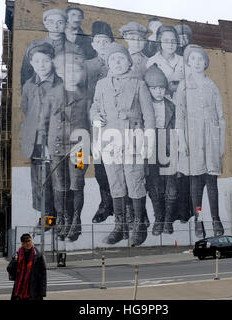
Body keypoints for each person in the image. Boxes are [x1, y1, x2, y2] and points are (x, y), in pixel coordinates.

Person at [90, 42, 155, 246]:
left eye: (120, 58)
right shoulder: (101, 85)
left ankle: (139, 225)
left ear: (128, 62)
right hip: (109, 140)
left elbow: (149, 117)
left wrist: (148, 142)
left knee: (134, 181)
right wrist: (95, 119)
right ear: (108, 63)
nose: (117, 62)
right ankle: (120, 226)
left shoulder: (139, 84)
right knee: (115, 184)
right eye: (112, 59)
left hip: (132, 139)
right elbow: (95, 107)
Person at [174, 45, 226, 238]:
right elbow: (179, 116)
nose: (197, 62)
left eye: (200, 59)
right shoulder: (183, 86)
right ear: (188, 62)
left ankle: (216, 219)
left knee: (211, 181)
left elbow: (220, 117)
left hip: (210, 137)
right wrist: (182, 141)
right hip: (193, 137)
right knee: (195, 184)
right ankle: (199, 220)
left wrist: (220, 143)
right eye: (193, 59)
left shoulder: (212, 86)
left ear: (205, 62)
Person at [20, 42, 62, 221]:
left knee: (54, 179)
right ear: (31, 63)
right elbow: (26, 108)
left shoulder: (60, 84)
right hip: (34, 140)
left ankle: (54, 217)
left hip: (52, 138)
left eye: (45, 60)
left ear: (52, 61)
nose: (42, 65)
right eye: (37, 61)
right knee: (38, 180)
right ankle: (45, 216)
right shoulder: (28, 86)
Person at [50, 51, 90, 242]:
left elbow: (92, 124)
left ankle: (76, 220)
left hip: (79, 148)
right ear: (61, 73)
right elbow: (44, 123)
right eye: (68, 71)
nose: (72, 75)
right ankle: (63, 219)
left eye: (76, 71)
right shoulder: (53, 94)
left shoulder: (86, 97)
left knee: (77, 184)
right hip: (57, 147)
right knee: (60, 186)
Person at [85, 21, 115, 224]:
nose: (102, 44)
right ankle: (106, 203)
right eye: (98, 41)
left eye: (106, 41)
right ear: (93, 44)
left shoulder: (121, 62)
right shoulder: (88, 66)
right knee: (101, 167)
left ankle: (123, 205)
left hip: (118, 125)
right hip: (96, 124)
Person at [144, 64, 178, 235]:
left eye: (161, 88)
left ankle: (168, 221)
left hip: (168, 148)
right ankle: (158, 219)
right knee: (154, 186)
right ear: (148, 89)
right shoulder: (144, 106)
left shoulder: (172, 107)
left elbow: (177, 129)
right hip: (150, 150)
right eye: (154, 88)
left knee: (170, 187)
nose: (158, 91)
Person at [21, 8, 84, 86]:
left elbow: (80, 76)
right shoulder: (34, 46)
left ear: (66, 24)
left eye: (60, 22)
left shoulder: (75, 49)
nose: (55, 26)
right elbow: (26, 73)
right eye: (51, 22)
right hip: (39, 92)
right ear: (46, 24)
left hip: (65, 93)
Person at [146, 26, 184, 98]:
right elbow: (150, 87)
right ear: (159, 41)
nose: (170, 44)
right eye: (166, 41)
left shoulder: (183, 60)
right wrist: (170, 78)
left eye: (173, 41)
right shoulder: (152, 61)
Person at [7, 234, 47, 301]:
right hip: (19, 290)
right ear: (22, 244)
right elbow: (9, 269)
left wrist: (43, 292)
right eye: (25, 242)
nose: (28, 243)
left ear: (32, 241)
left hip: (34, 290)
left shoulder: (38, 256)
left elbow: (43, 275)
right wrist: (15, 261)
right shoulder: (18, 255)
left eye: (29, 241)